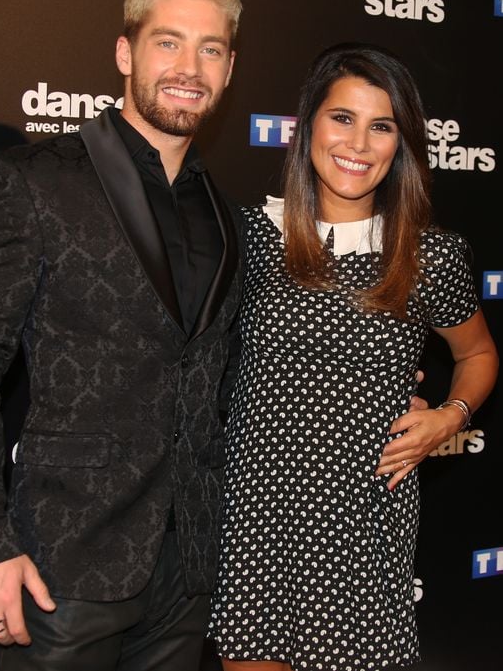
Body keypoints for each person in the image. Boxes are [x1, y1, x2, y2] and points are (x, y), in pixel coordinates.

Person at [0, 0, 244, 671]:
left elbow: (223, 375)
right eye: (168, 42)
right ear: (125, 52)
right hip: (62, 562)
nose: (189, 67)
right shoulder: (35, 180)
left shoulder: (226, 213)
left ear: (229, 69)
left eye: (211, 48)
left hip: (188, 567)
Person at [208, 42, 498, 671]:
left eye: (381, 126)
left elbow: (477, 353)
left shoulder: (430, 255)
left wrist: (449, 415)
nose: (358, 144)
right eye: (342, 118)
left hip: (364, 521)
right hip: (257, 515)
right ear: (309, 123)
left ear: (401, 145)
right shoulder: (252, 235)